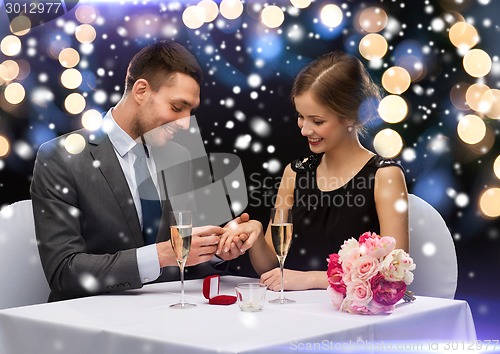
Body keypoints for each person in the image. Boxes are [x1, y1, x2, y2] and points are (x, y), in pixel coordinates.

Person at [30, 41, 246, 302]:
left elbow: (185, 260)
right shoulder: (61, 157)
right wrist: (161, 255)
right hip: (87, 322)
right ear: (141, 90)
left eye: (191, 111)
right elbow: (64, 273)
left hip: (166, 316)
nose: (187, 123)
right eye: (177, 108)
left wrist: (217, 249)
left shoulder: (179, 156)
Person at [218, 51, 409, 291]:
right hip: (293, 313)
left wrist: (310, 279)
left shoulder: (385, 176)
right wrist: (254, 234)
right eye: (301, 117)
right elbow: (271, 269)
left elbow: (394, 270)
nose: (304, 130)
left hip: (352, 319)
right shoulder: (295, 173)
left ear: (351, 116)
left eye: (317, 121)